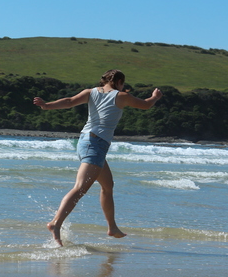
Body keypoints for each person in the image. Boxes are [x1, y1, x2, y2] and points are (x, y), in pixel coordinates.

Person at [33, 69, 163, 246]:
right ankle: (55, 223)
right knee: (80, 188)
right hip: (95, 145)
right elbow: (146, 105)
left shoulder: (91, 92)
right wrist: (155, 97)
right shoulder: (121, 96)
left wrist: (47, 105)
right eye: (122, 83)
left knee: (108, 186)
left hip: (86, 142)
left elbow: (69, 101)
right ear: (119, 82)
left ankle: (112, 227)